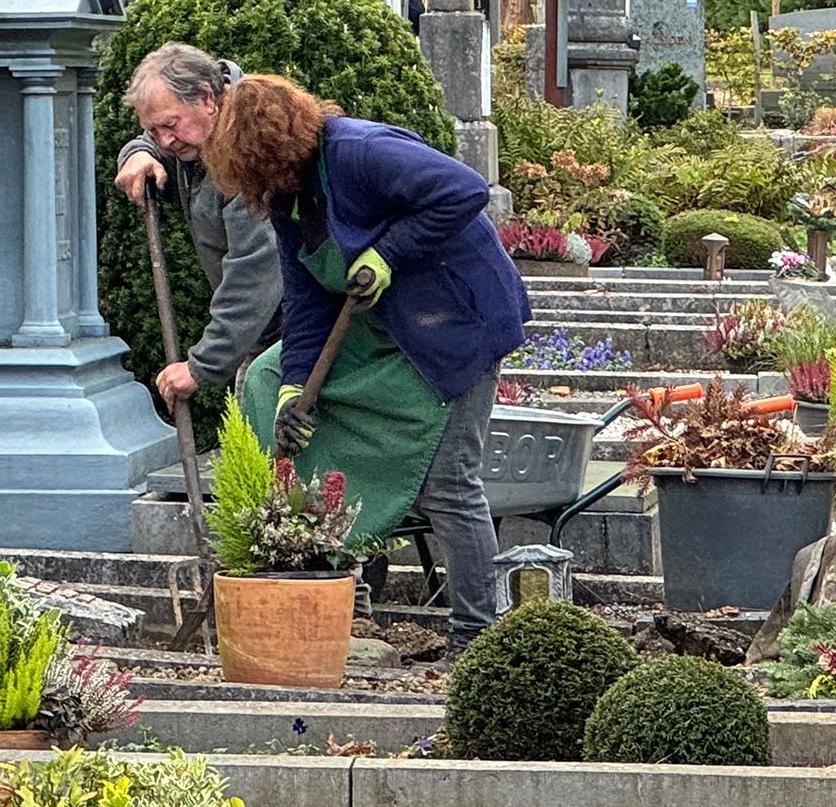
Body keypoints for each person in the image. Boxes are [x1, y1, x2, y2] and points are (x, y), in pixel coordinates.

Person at [201, 73, 531, 652]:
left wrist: (387, 254)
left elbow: (466, 190)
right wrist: (294, 389)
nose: (258, 186)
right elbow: (305, 299)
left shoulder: (360, 151)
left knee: (450, 483)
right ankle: (336, 592)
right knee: (270, 380)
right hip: (388, 328)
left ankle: (478, 637)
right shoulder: (288, 196)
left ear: (278, 148)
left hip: (457, 320)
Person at [115, 43, 283, 405]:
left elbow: (254, 270)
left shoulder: (247, 151)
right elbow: (156, 140)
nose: (165, 140)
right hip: (267, 337)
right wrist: (138, 153)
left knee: (277, 455)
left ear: (207, 98)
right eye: (153, 129)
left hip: (296, 338)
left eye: (169, 125)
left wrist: (201, 365)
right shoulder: (201, 132)